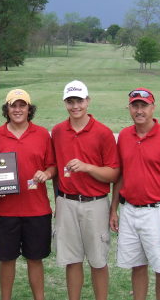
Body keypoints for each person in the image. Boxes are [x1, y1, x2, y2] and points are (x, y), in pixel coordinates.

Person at [109, 88, 160, 300]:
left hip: (158, 212)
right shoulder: (125, 136)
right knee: (137, 265)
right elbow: (120, 177)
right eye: (135, 106)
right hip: (129, 210)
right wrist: (113, 210)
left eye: (143, 106)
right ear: (129, 108)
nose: (139, 110)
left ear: (153, 108)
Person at [51, 80, 120, 300]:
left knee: (98, 260)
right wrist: (56, 201)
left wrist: (88, 167)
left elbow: (114, 174)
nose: (75, 106)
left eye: (79, 100)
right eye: (70, 101)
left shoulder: (103, 133)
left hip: (95, 203)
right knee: (72, 260)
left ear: (88, 101)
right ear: (65, 103)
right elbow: (55, 169)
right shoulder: (58, 131)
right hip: (66, 202)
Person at [0, 89, 56, 300]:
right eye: (13, 105)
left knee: (35, 259)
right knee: (6, 259)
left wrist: (45, 173)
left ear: (29, 109)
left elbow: (52, 166)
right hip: (5, 211)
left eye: (22, 105)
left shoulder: (42, 134)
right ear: (7, 109)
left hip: (36, 209)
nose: (17, 109)